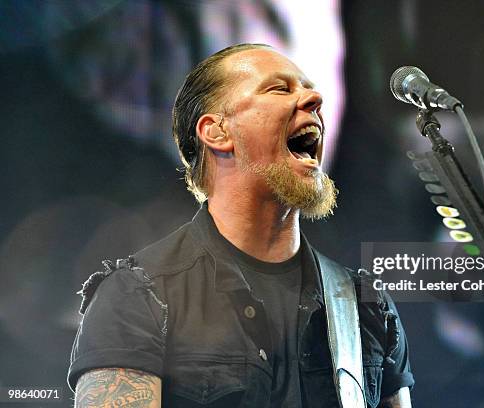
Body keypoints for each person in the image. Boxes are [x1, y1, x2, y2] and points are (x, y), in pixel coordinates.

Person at [67, 43, 414, 408]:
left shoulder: (365, 306)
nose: (314, 98)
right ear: (217, 132)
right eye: (280, 88)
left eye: (309, 87)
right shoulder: (138, 296)